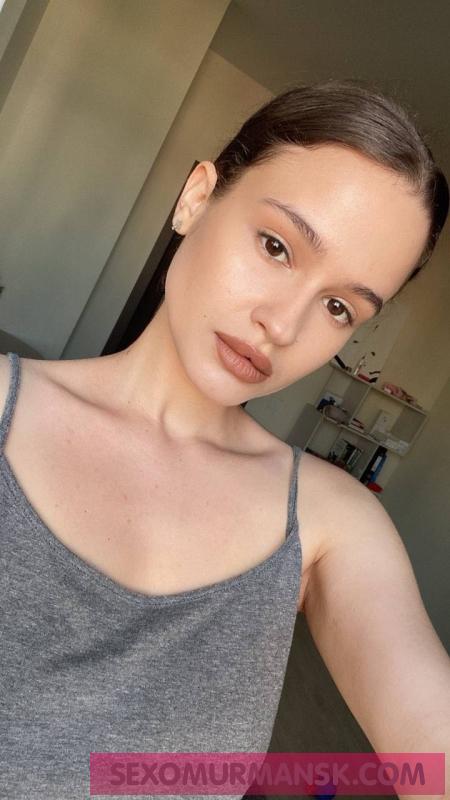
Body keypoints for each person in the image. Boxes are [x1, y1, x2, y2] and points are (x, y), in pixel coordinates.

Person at [1, 79, 449, 800]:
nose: (284, 325)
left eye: (339, 307)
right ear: (197, 197)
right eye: (276, 246)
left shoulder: (330, 523)